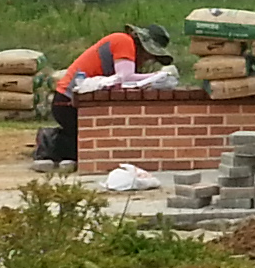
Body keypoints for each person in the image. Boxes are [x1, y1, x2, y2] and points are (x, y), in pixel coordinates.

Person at [43, 23, 172, 163]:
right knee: (90, 148)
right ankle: (48, 141)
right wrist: (160, 75)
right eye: (149, 54)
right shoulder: (124, 41)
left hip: (81, 101)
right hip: (68, 101)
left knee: (97, 145)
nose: (149, 59)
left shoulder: (126, 51)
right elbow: (125, 77)